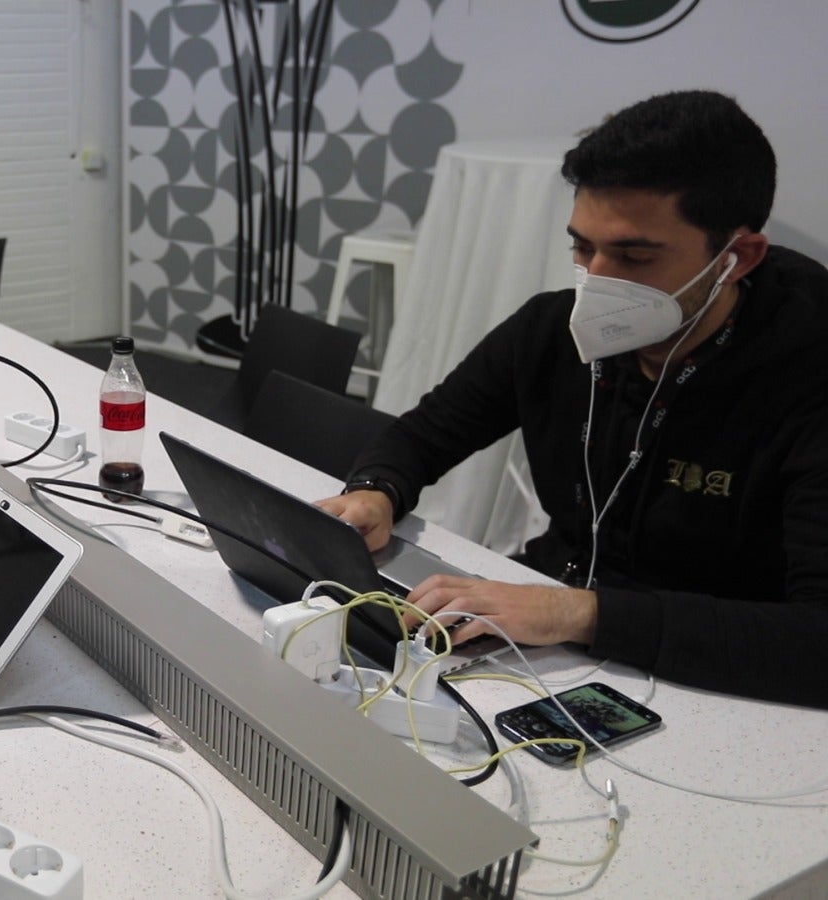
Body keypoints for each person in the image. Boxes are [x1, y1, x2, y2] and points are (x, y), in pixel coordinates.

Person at [317, 90, 828, 710]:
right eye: (582, 248)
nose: (598, 281)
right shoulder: (551, 331)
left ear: (737, 258)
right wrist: (378, 489)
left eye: (635, 256)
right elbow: (426, 432)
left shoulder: (805, 377)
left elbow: (814, 640)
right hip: (551, 639)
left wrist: (577, 613)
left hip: (718, 684)